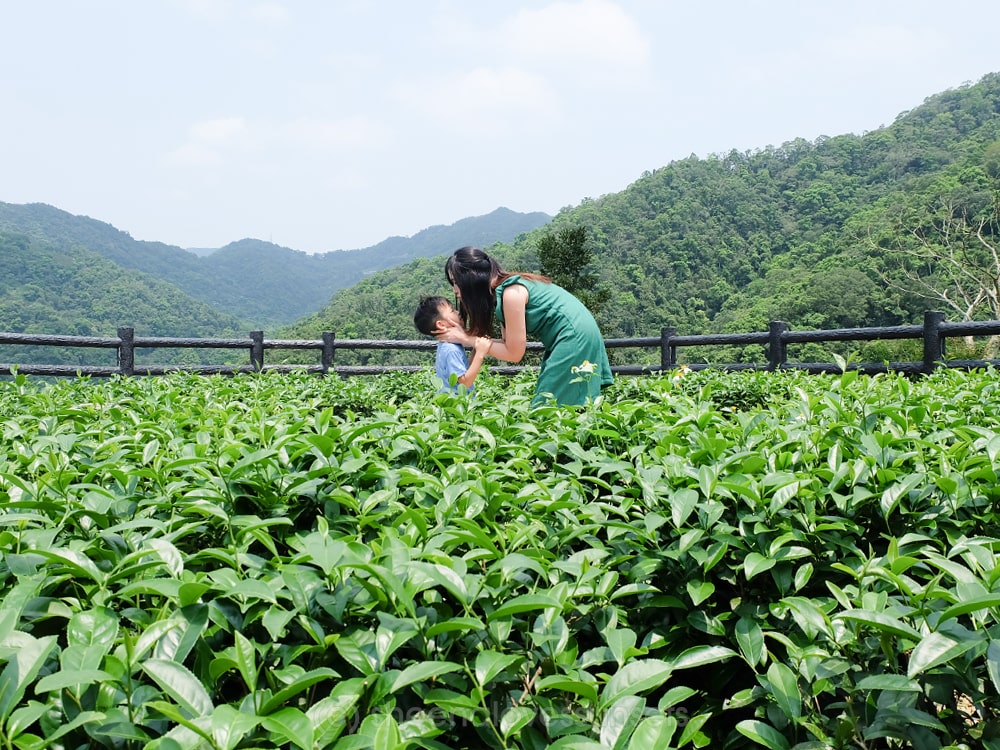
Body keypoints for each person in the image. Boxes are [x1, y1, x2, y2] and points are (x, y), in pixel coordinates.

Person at [436, 246, 613, 406]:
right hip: (576, 333)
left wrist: (466, 339)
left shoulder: (511, 294)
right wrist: (472, 340)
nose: (455, 290)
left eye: (456, 282)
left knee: (546, 409)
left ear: (471, 279)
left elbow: (514, 354)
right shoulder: (503, 292)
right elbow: (508, 347)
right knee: (561, 406)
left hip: (573, 336)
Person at [413, 295, 492, 394]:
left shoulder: (446, 345)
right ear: (441, 325)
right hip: (456, 405)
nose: (458, 312)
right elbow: (465, 384)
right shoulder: (451, 349)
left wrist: (476, 348)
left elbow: (465, 370)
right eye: (452, 311)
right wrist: (480, 353)